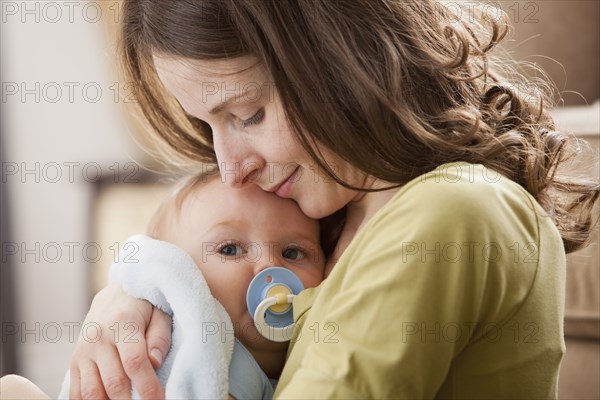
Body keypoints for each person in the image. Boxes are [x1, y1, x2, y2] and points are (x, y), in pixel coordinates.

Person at [24, 0, 600, 398]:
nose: (231, 167)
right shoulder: (328, 218)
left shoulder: (451, 212)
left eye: (247, 114)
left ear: (340, 59)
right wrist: (140, 292)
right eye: (210, 125)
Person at [0, 170, 327, 399]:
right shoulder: (210, 348)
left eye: (293, 252)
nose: (270, 266)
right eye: (230, 249)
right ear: (182, 274)